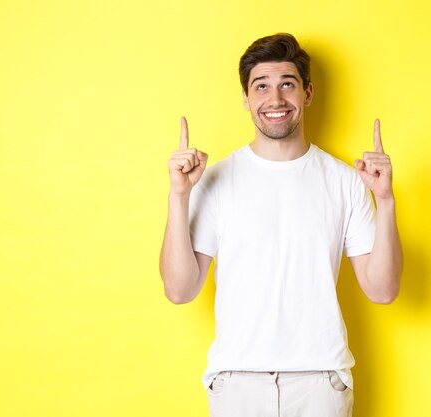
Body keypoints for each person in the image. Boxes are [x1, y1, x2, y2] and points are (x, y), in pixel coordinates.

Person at [159, 33, 402, 417]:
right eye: (262, 87)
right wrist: (178, 196)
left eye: (287, 84)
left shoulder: (345, 180)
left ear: (307, 93)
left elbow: (383, 290)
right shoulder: (214, 180)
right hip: (237, 382)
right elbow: (179, 289)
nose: (275, 100)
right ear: (246, 99)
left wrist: (385, 200)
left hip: (320, 382)